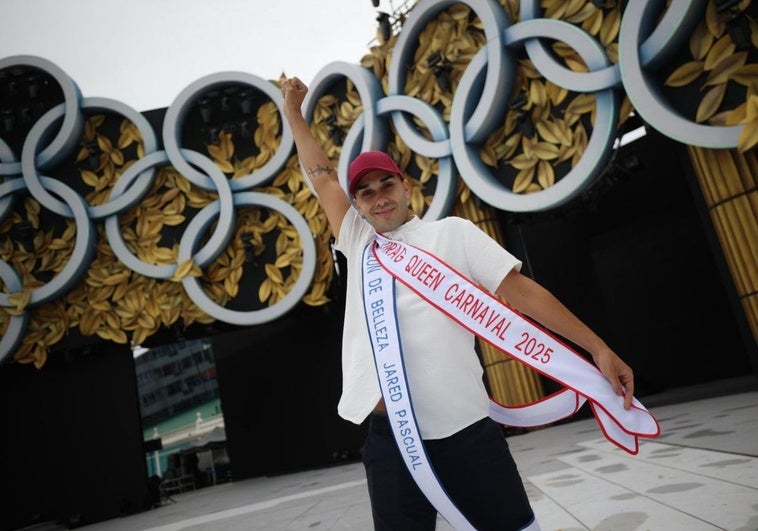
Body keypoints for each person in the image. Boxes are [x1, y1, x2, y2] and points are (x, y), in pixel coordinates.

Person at [280, 74, 635, 531]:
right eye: (365, 193)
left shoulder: (452, 233)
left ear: (404, 185)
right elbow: (322, 176)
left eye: (385, 185)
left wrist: (598, 347)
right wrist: (292, 111)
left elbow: (523, 295)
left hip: (465, 429)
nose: (377, 198)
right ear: (358, 206)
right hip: (392, 439)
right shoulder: (358, 241)